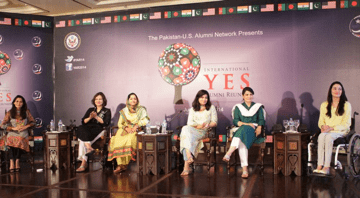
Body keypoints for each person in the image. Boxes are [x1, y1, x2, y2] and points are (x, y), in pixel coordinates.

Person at [222, 87, 265, 178]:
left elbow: (261, 119)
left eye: (251, 94)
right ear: (243, 96)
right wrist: (246, 124)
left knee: (242, 132)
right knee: (242, 141)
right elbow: (235, 121)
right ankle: (244, 170)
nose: (249, 96)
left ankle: (229, 153)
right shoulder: (238, 107)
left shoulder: (258, 107)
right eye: (247, 94)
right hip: (242, 129)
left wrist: (259, 127)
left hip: (253, 130)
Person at [313, 81, 351, 175]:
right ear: (330, 91)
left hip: (341, 130)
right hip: (327, 131)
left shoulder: (346, 105)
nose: (337, 91)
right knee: (321, 136)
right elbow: (321, 121)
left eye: (340, 89)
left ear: (342, 91)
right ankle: (319, 165)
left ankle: (327, 167)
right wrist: (323, 126)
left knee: (329, 137)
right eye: (334, 88)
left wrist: (332, 128)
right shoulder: (324, 105)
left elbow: (346, 124)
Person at [107, 93, 150, 174]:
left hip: (136, 130)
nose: (133, 100)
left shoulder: (141, 109)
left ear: (137, 100)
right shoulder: (124, 111)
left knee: (130, 139)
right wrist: (126, 128)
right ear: (128, 100)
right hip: (125, 129)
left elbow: (145, 120)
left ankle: (125, 164)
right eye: (131, 98)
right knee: (117, 140)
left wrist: (136, 126)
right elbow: (120, 124)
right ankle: (120, 165)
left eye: (135, 98)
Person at [180, 89, 218, 176]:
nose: (204, 99)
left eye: (206, 97)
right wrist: (198, 126)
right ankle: (188, 157)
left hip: (205, 132)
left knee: (185, 135)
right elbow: (189, 123)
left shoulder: (211, 108)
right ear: (197, 98)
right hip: (194, 130)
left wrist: (208, 125)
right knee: (185, 129)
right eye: (202, 97)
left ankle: (186, 166)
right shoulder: (193, 109)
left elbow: (215, 122)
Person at [76, 92, 111, 172]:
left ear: (103, 100)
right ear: (94, 100)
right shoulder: (90, 109)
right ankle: (88, 147)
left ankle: (83, 164)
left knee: (82, 140)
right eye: (96, 99)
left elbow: (105, 123)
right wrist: (90, 117)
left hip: (99, 129)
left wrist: (96, 117)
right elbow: (83, 121)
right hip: (88, 130)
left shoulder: (106, 111)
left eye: (100, 99)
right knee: (80, 128)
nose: (98, 101)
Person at [0, 95, 35, 172]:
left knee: (20, 139)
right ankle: (12, 161)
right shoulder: (10, 112)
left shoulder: (26, 112)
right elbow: (2, 125)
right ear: (14, 103)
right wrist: (13, 128)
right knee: (9, 139)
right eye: (17, 101)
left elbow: (33, 122)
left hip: (23, 132)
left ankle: (17, 161)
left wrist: (26, 126)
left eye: (21, 101)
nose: (19, 103)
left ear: (23, 103)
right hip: (13, 131)